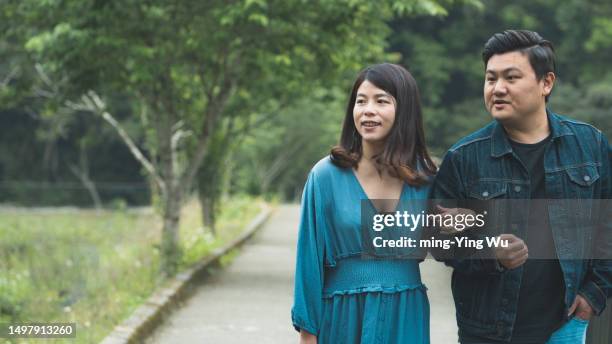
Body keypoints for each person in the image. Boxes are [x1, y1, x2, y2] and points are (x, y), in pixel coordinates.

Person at [430, 30, 611, 343]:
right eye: (490, 79)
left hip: (565, 324)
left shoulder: (590, 145)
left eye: (511, 77)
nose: (498, 89)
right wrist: (490, 252)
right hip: (487, 330)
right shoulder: (463, 157)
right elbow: (437, 239)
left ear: (546, 83)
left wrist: (594, 292)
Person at [291, 63, 437, 344]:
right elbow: (308, 261)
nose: (368, 110)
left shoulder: (427, 178)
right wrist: (308, 333)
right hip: (341, 315)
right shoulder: (325, 176)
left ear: (404, 110)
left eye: (381, 101)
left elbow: (455, 244)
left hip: (405, 314)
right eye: (361, 101)